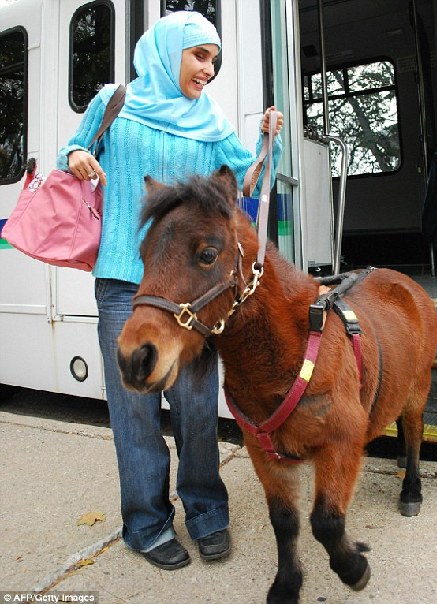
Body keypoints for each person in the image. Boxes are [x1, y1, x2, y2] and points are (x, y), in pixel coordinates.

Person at [57, 11, 283, 570]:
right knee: (133, 411)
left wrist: (264, 138)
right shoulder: (115, 101)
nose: (208, 69)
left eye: (214, 59)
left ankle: (207, 512)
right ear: (167, 49)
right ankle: (146, 523)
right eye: (199, 55)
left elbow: (244, 181)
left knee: (196, 406)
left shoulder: (211, 121)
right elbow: (72, 153)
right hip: (123, 282)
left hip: (189, 291)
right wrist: (80, 157)